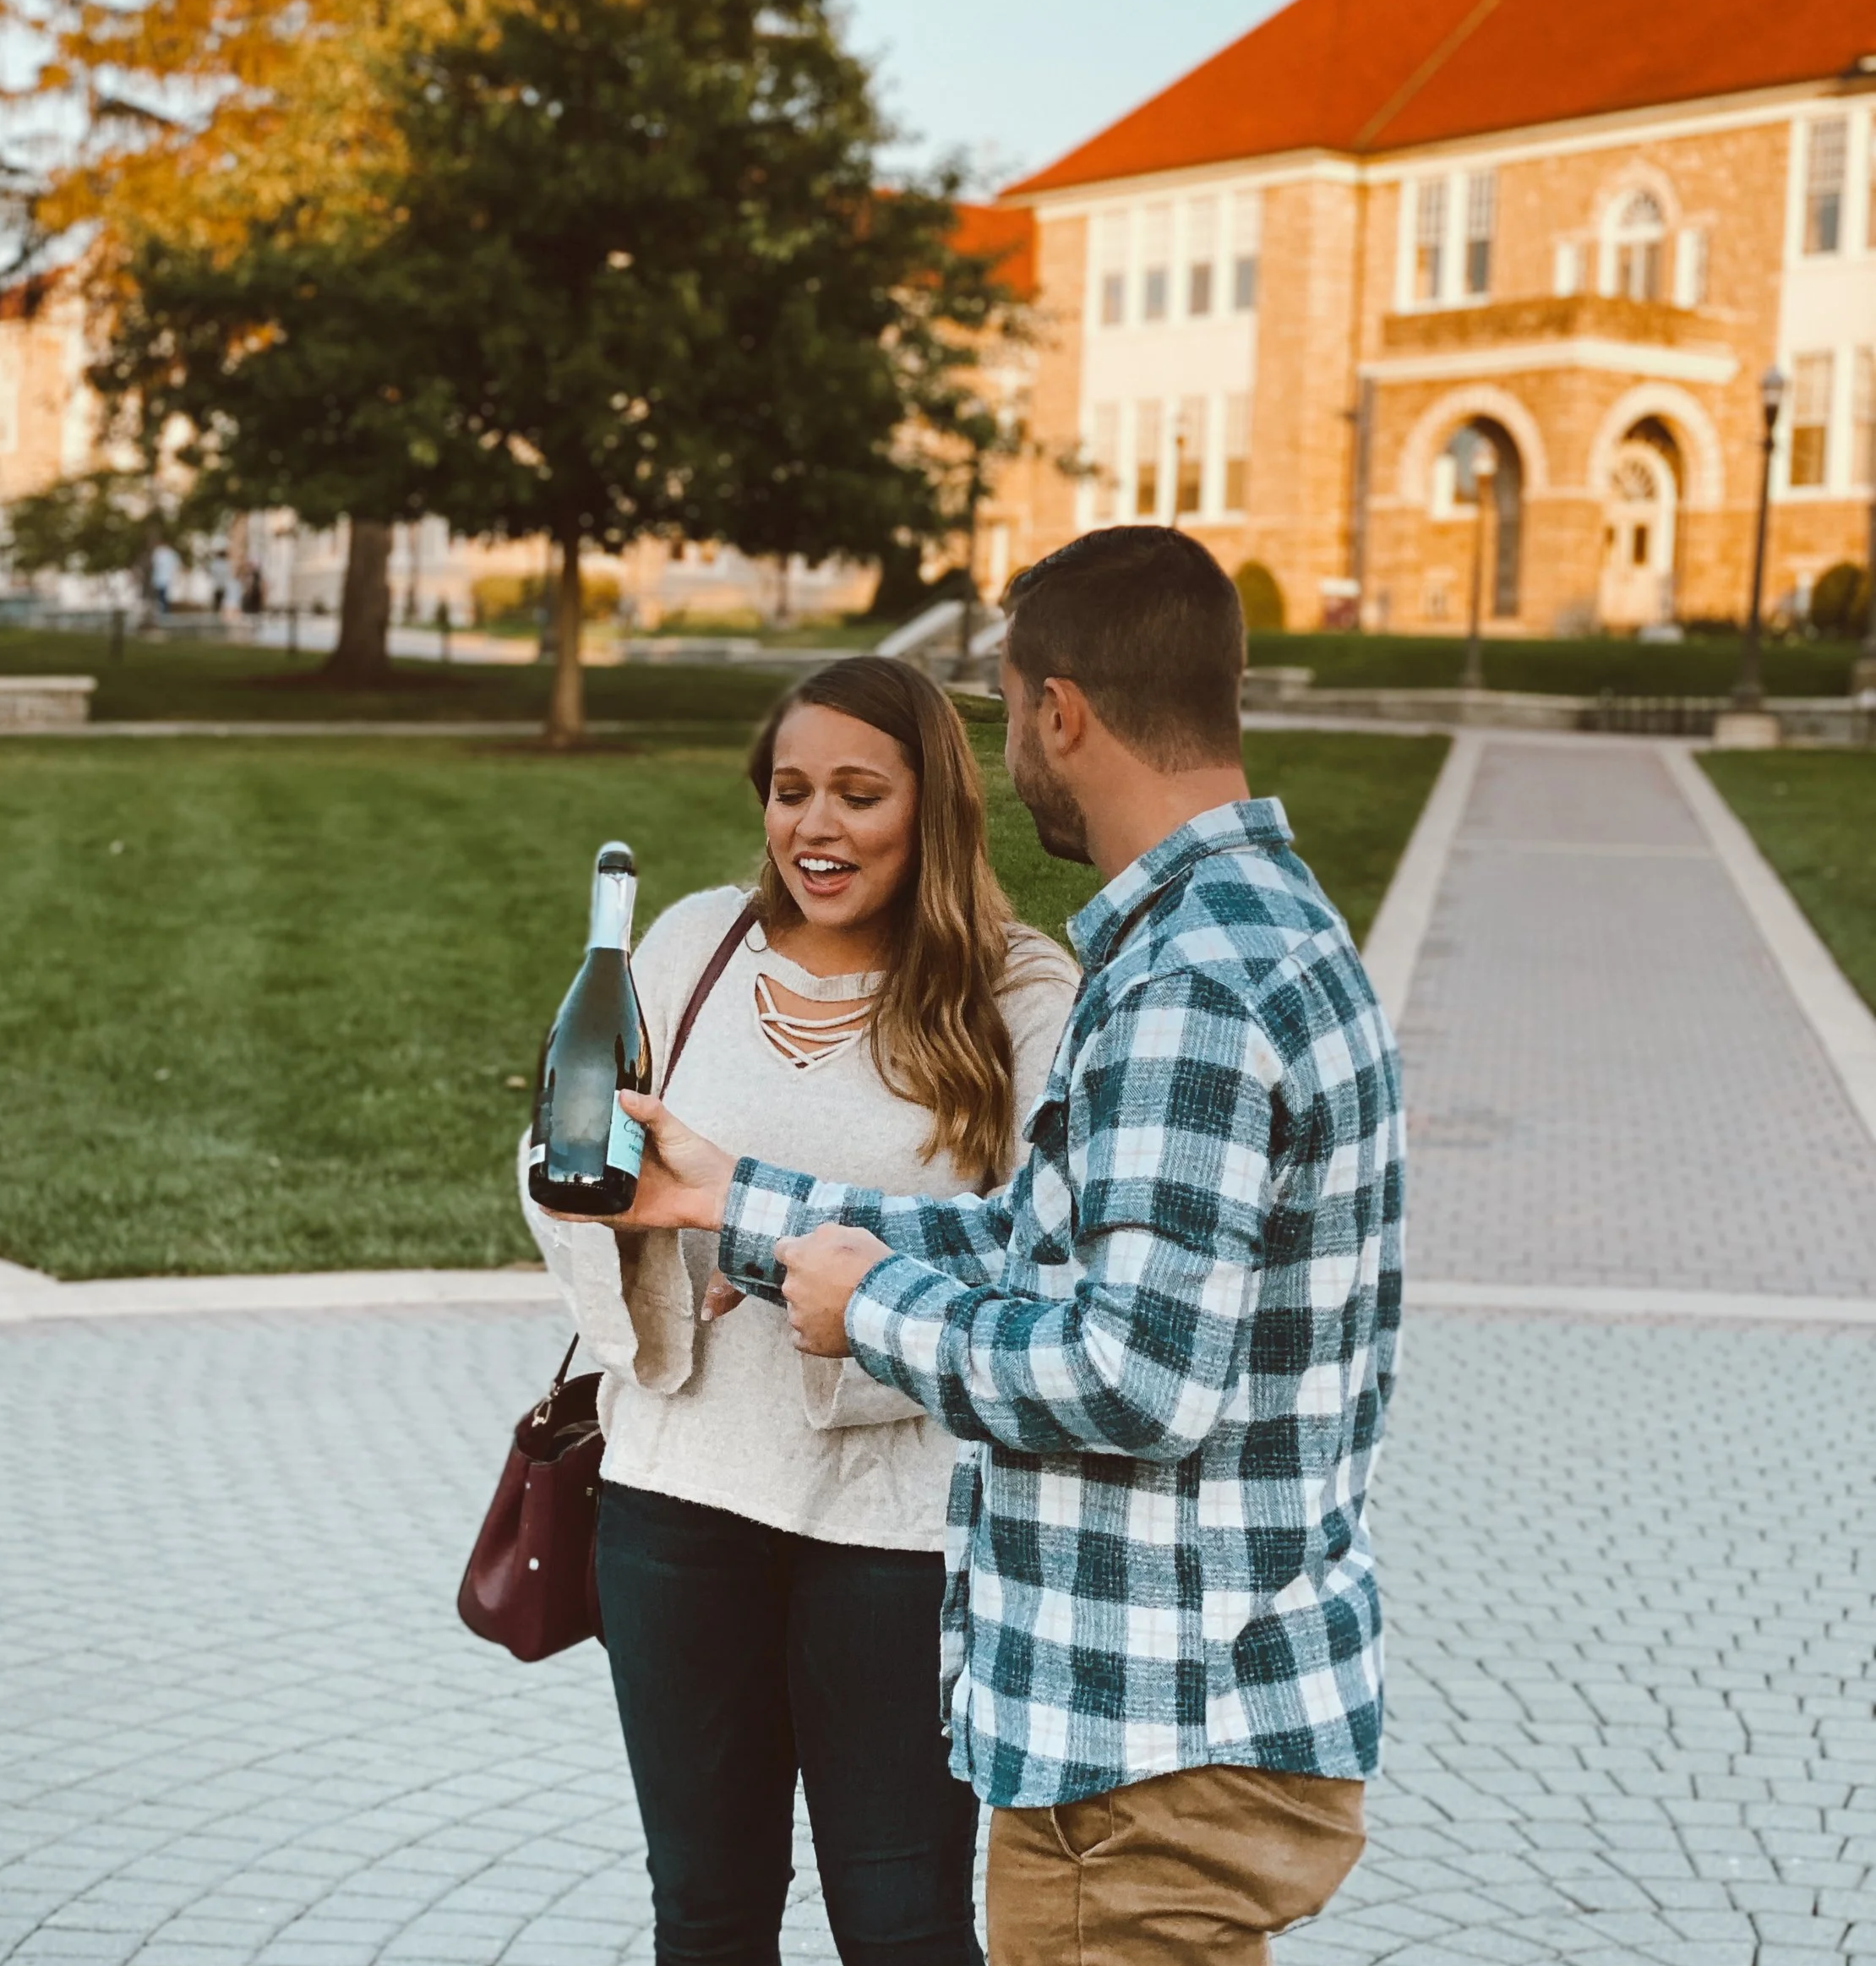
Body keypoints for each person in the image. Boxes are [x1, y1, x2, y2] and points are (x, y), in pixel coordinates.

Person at [608, 527, 1405, 1966]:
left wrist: (875, 1311)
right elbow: (1042, 1243)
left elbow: (1134, 1373)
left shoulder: (1187, 987)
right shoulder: (1257, 934)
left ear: (1061, 711)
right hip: (1184, 1718)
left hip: (1149, 1752)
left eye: (1009, 703)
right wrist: (741, 1202)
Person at [525, 655, 1078, 1966]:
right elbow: (562, 1152)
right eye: (789, 791)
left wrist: (760, 1239)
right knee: (706, 1917)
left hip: (895, 1531)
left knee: (902, 1925)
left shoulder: (1018, 992)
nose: (814, 827)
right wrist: (655, 1242)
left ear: (932, 804)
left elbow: (1031, 1253)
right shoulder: (690, 945)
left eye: (856, 792)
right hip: (675, 1500)